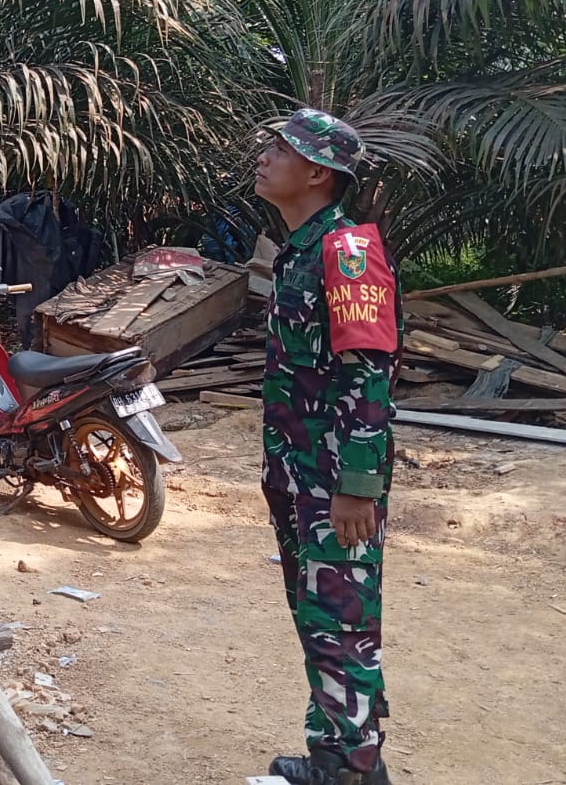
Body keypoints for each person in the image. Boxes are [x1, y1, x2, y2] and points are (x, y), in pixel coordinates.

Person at [253, 108, 401, 785]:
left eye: (279, 148)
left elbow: (368, 375)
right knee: (321, 617)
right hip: (296, 470)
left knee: (341, 620)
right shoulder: (299, 250)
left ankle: (350, 767)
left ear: (316, 172)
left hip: (332, 482)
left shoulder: (346, 252)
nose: (264, 155)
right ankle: (341, 751)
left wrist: (357, 487)